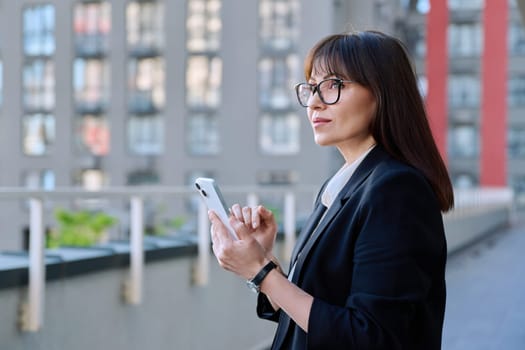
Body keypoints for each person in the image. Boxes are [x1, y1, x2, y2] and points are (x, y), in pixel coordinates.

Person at [208, 30, 454, 350]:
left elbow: (371, 337)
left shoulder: (396, 191)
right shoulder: (344, 185)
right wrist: (263, 259)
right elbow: (318, 306)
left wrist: (262, 273)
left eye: (334, 85)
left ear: (383, 93)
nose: (313, 103)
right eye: (311, 88)